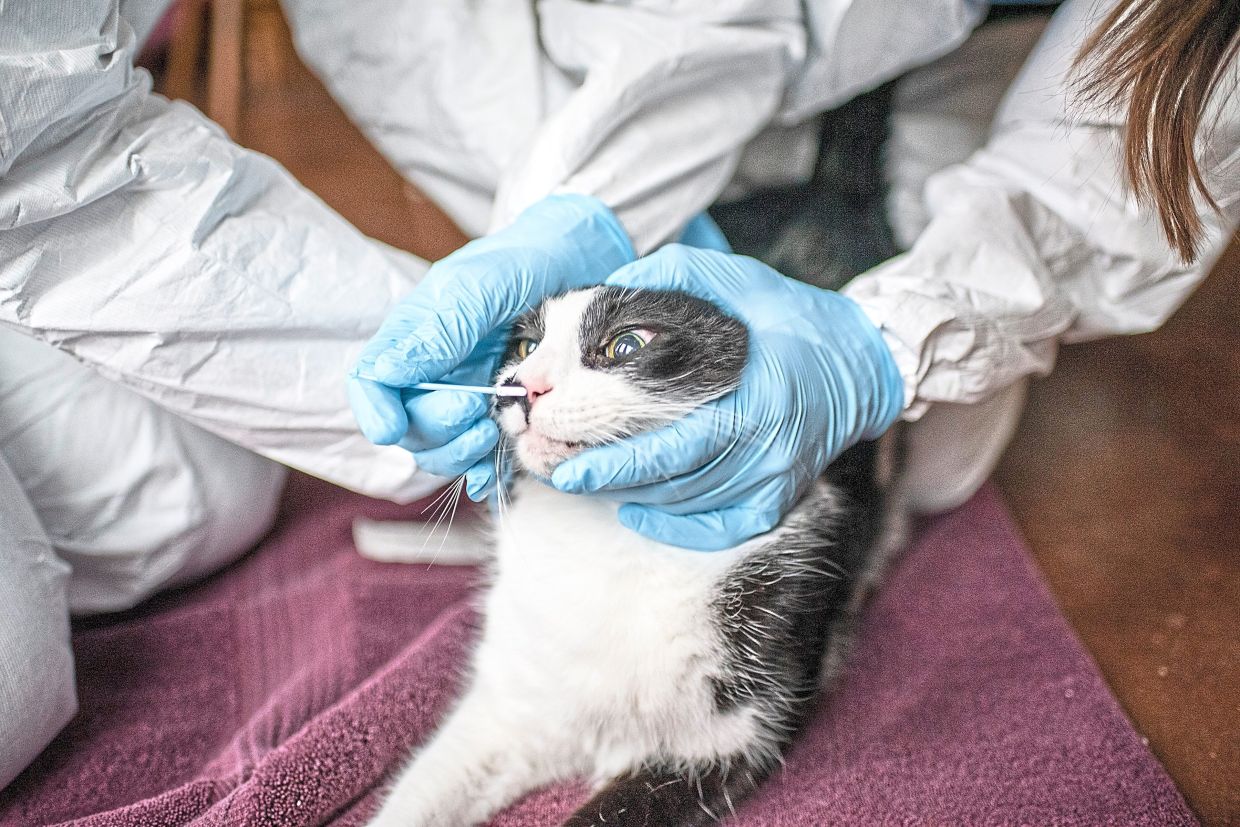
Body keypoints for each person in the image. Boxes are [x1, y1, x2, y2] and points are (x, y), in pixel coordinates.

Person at [0, 0, 1235, 791]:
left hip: (972, 70)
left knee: (178, 514)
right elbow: (47, 158)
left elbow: (1128, 158)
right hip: (61, 185)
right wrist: (586, 207)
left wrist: (881, 347)